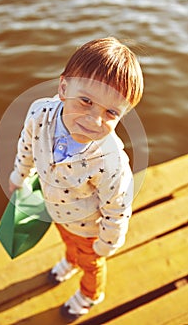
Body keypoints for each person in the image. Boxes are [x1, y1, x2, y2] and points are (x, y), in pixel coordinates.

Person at [9, 37, 144, 321]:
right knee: (69, 244)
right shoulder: (40, 113)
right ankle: (70, 260)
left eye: (111, 113)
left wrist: (107, 243)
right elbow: (27, 145)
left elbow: (117, 207)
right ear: (63, 88)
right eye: (86, 101)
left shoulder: (111, 162)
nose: (94, 120)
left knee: (92, 264)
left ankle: (90, 294)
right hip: (58, 211)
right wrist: (20, 175)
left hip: (91, 230)